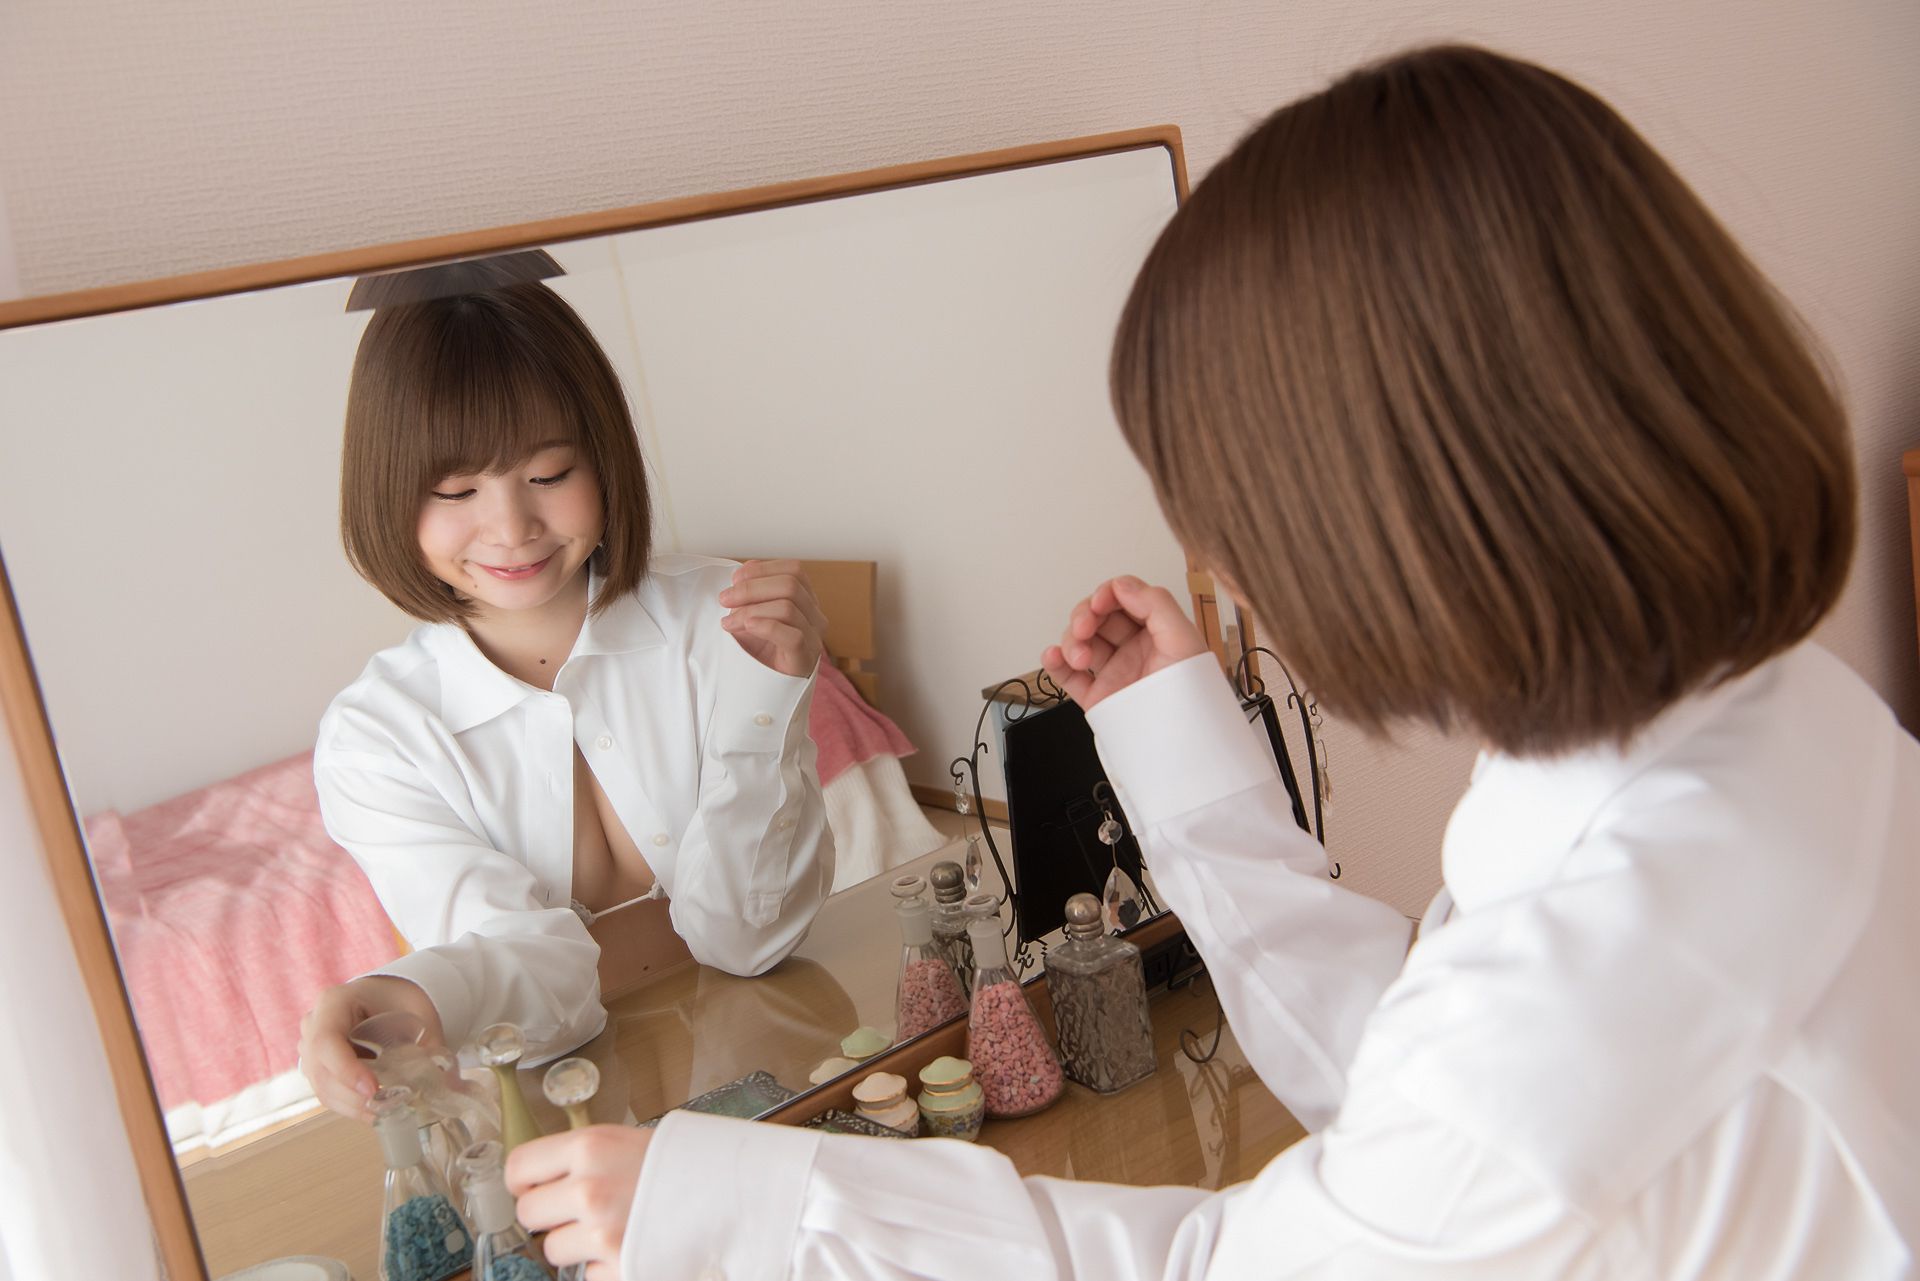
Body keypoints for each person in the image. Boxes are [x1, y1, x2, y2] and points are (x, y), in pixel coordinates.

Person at [498, 44, 1918, 1280]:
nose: (1233, 570)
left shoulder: (1584, 990)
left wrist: (745, 1214)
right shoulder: (1783, 725)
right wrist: (1178, 747)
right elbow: (1426, 1093)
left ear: (1397, 513)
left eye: (1236, 515)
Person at [297, 279, 836, 1120]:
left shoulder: (721, 618)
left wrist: (768, 697)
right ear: (388, 492)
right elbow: (541, 1002)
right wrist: (404, 993)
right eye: (456, 490)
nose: (512, 528)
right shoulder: (376, 738)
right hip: (553, 1117)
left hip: (770, 1054)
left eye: (548, 473)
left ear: (602, 454)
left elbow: (748, 937)